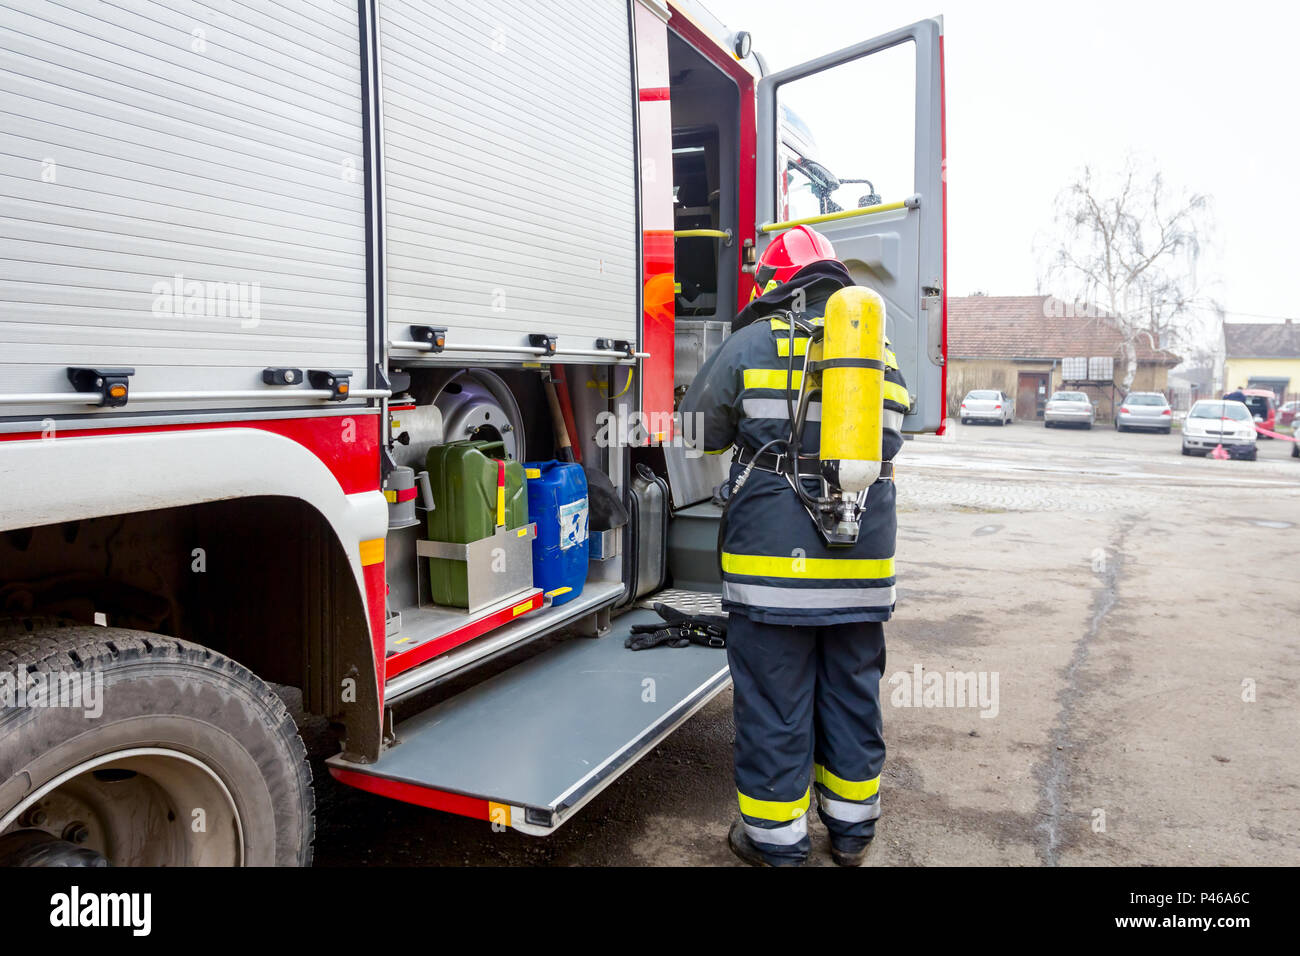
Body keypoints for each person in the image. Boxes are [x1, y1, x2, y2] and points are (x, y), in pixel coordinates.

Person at [681, 225, 910, 866]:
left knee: (777, 703)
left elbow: (698, 432)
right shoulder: (877, 356)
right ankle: (852, 834)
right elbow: (891, 442)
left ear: (775, 285)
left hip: (772, 573)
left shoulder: (752, 342)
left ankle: (777, 845)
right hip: (862, 571)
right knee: (851, 695)